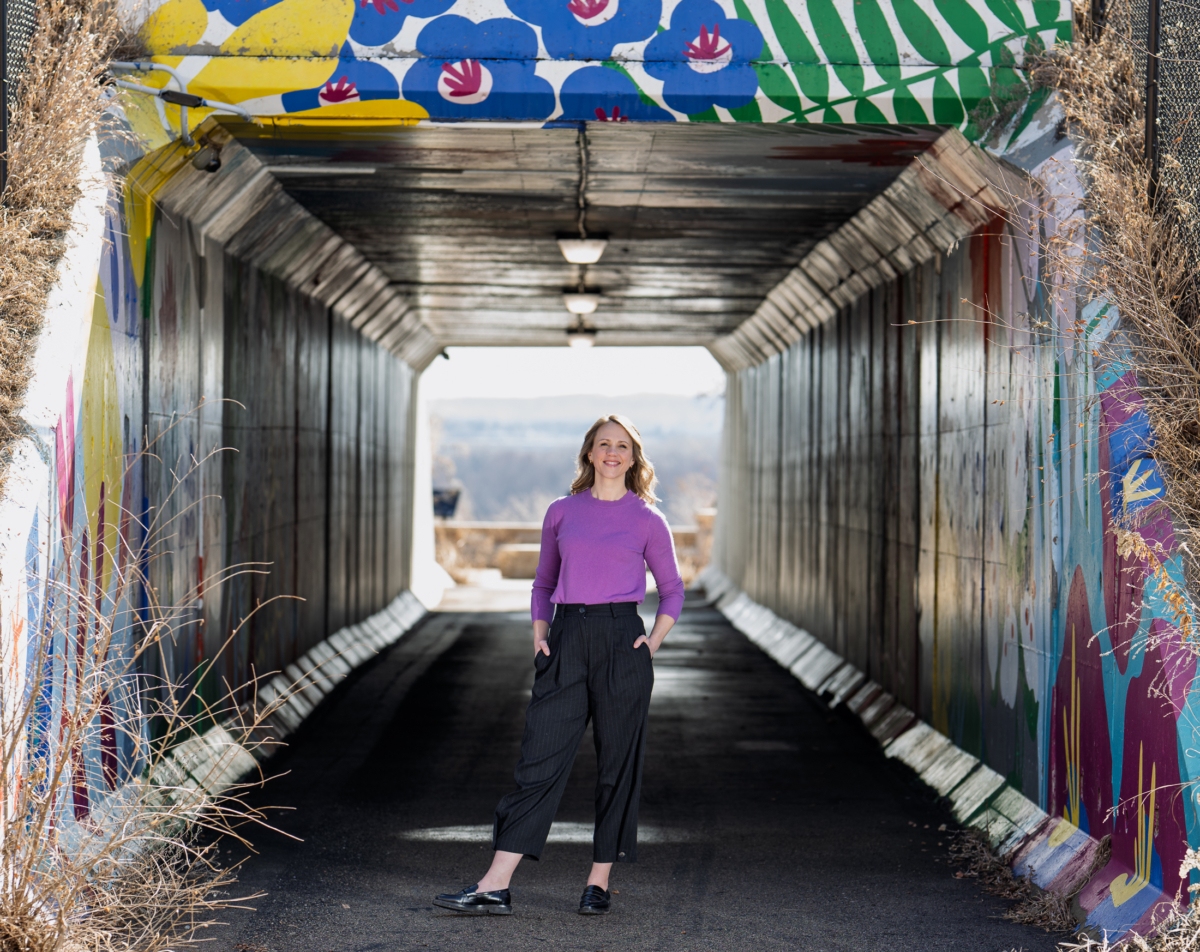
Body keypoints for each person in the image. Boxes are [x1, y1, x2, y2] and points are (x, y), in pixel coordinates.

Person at [434, 414, 685, 917]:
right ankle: (495, 884)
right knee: (538, 763)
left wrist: (651, 643)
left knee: (618, 766)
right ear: (589, 453)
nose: (612, 453)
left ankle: (599, 882)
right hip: (566, 639)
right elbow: (543, 582)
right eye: (603, 444)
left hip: (622, 642)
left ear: (633, 458)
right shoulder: (561, 512)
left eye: (622, 446)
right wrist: (540, 636)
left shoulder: (648, 520)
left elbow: (673, 590)